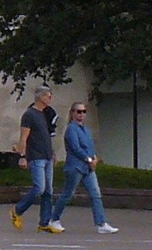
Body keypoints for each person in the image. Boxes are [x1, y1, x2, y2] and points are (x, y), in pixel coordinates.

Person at [52, 101, 119, 234]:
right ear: (72, 113)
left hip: (88, 168)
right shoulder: (71, 129)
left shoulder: (86, 129)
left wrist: (94, 158)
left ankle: (101, 223)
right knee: (67, 194)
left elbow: (90, 146)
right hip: (75, 167)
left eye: (84, 111)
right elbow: (75, 148)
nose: (81, 114)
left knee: (96, 194)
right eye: (78, 111)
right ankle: (54, 219)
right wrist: (88, 159)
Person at [13, 88, 61, 233]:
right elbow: (24, 137)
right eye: (48, 96)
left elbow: (46, 136)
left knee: (48, 191)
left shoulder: (43, 114)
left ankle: (44, 223)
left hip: (47, 156)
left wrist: (52, 153)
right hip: (36, 156)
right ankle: (17, 210)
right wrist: (22, 156)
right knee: (39, 188)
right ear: (40, 97)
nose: (50, 99)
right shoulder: (29, 114)